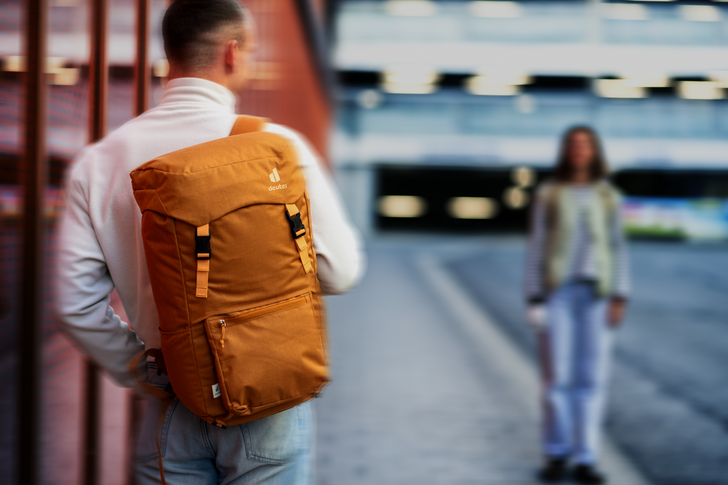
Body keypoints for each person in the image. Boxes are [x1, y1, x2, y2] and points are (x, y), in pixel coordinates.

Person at [55, 1, 365, 483]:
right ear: (233, 52)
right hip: (267, 395)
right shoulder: (278, 148)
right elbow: (339, 272)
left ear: (171, 53)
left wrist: (145, 370)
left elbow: (75, 306)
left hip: (171, 403)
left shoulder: (98, 163)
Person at [525, 126, 629, 485]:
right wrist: (534, 296)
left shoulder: (608, 195)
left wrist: (621, 295)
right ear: (565, 151)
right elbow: (537, 246)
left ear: (594, 151)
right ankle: (556, 453)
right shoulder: (548, 193)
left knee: (591, 379)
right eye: (573, 144)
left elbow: (617, 246)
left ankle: (586, 458)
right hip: (557, 293)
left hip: (597, 295)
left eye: (585, 144)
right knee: (556, 378)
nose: (579, 149)